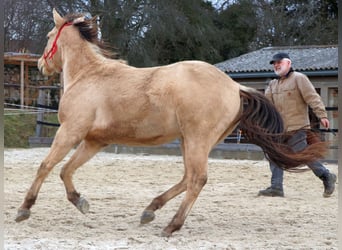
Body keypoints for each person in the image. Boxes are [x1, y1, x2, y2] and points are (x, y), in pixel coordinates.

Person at [258, 52, 337, 197]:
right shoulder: (272, 84)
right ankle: (276, 187)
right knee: (273, 153)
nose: (276, 65)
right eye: (274, 63)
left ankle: (326, 175)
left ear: (288, 63)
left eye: (279, 62)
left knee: (302, 153)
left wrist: (322, 115)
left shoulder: (299, 78)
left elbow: (312, 97)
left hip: (297, 127)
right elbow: (267, 105)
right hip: (278, 129)